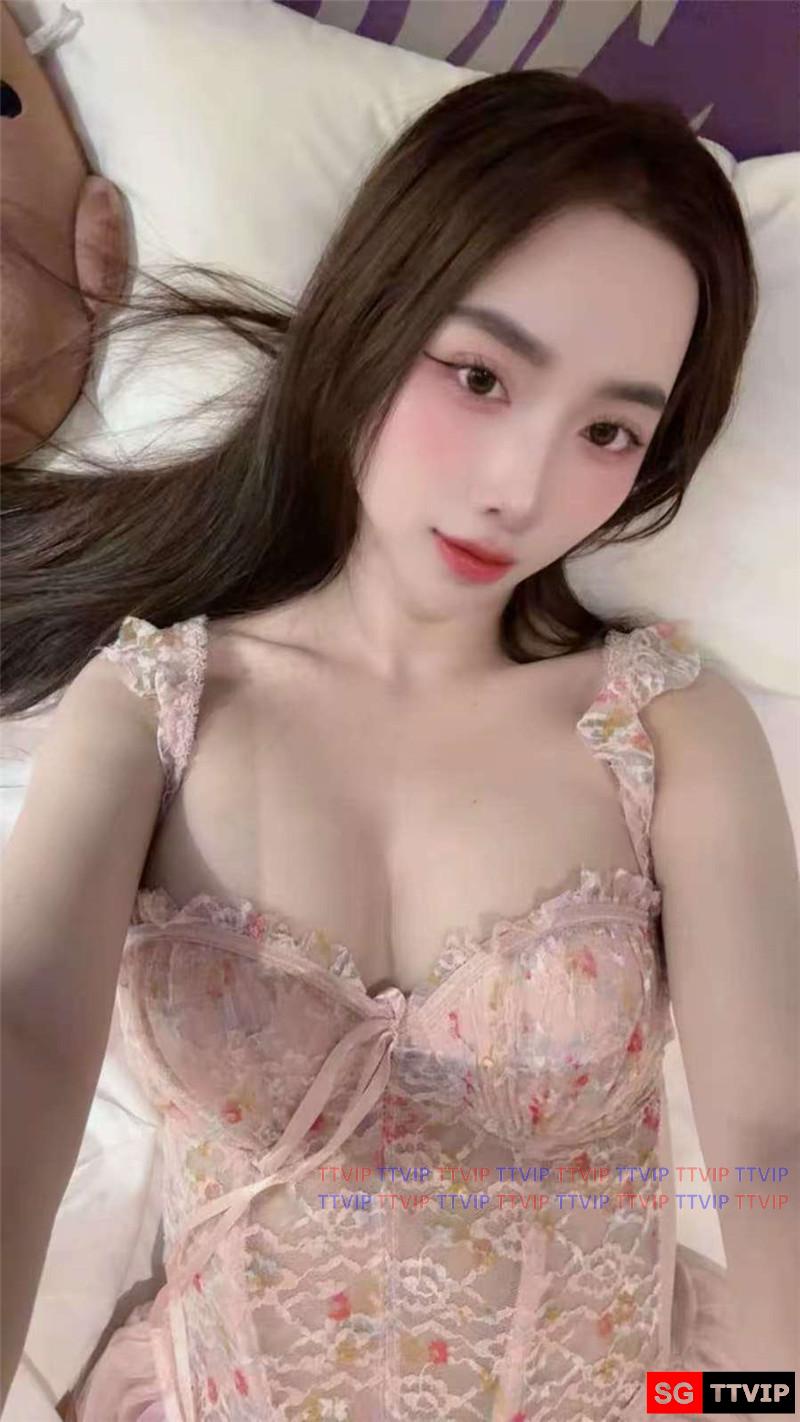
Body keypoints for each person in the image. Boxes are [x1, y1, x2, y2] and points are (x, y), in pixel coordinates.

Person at [2, 70, 798, 1422]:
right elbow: (21, 1036)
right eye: (480, 376)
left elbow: (772, 1147)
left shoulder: (664, 726)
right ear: (373, 318)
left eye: (609, 429)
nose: (520, 486)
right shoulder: (152, 709)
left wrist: (746, 1404)